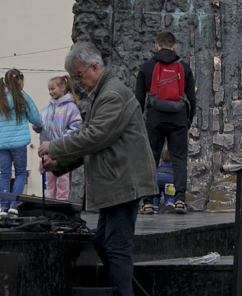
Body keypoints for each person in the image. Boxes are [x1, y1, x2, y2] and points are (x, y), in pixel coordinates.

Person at [40, 42, 158, 296]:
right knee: (104, 244)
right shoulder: (104, 93)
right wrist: (58, 163)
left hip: (124, 183)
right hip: (116, 182)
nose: (77, 81)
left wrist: (55, 146)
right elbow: (93, 142)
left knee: (115, 247)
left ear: (95, 67)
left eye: (79, 75)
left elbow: (94, 137)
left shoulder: (112, 95)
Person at [134, 31, 195, 214]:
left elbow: (139, 99)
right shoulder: (184, 68)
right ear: (174, 46)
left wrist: (140, 124)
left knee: (150, 159)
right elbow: (192, 98)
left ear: (156, 45)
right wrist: (187, 122)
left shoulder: (146, 67)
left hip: (154, 119)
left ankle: (147, 202)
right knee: (179, 160)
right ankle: (179, 200)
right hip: (178, 119)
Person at [0, 68, 42, 216]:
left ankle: (3, 207)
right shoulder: (23, 99)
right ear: (20, 81)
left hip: (2, 145)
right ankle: (14, 205)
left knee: (5, 174)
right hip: (19, 144)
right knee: (20, 174)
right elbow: (36, 119)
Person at [37, 75, 83, 201]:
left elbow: (76, 126)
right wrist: (37, 126)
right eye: (49, 90)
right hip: (47, 149)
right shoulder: (46, 109)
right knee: (50, 180)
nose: (51, 92)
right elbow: (40, 124)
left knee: (62, 179)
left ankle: (61, 202)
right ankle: (50, 201)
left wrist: (63, 140)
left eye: (53, 89)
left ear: (63, 87)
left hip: (62, 149)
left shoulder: (71, 108)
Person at [152, 148, 176, 213]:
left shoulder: (159, 166)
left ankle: (154, 206)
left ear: (161, 159)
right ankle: (169, 203)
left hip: (157, 177)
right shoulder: (174, 167)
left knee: (155, 195)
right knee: (170, 195)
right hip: (169, 178)